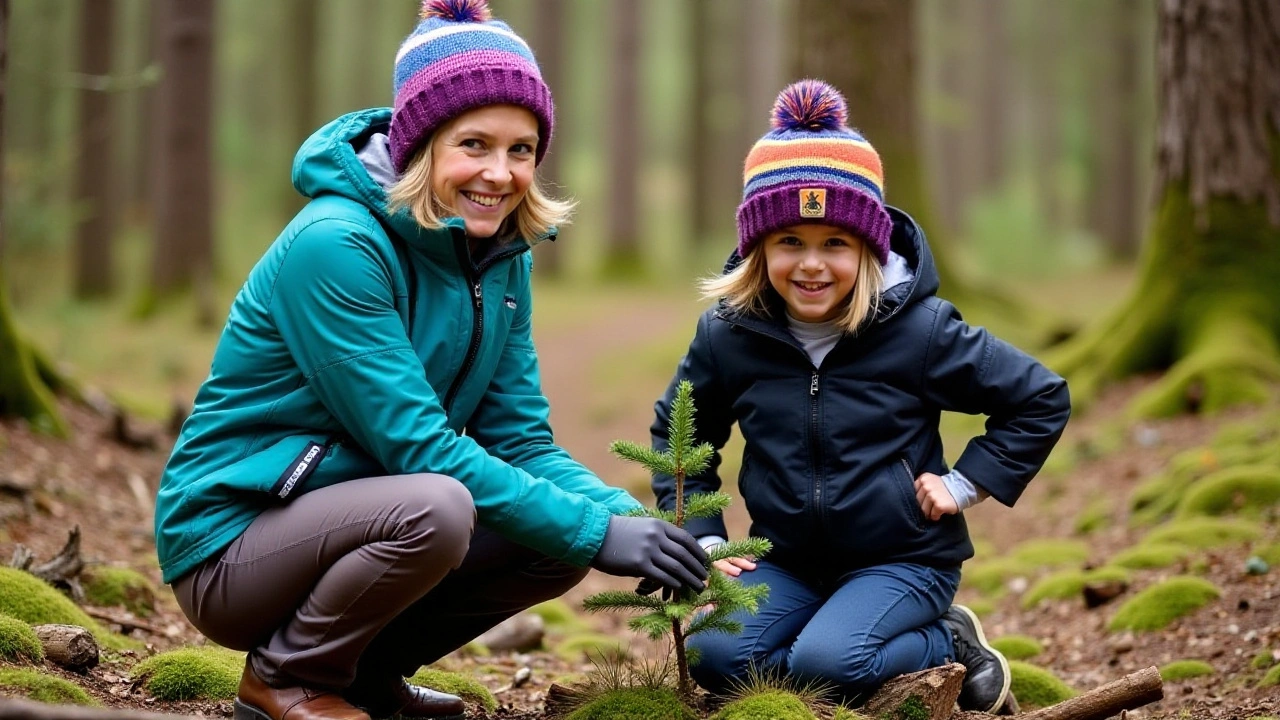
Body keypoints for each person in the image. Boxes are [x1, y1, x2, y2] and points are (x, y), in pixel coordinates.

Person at [154, 3, 708, 720]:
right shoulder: (337, 244)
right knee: (442, 506)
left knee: (554, 542)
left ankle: (362, 677)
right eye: (473, 144)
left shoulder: (499, 256)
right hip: (232, 544)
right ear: (420, 142)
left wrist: (631, 524)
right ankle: (286, 678)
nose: (500, 173)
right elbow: (417, 446)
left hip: (360, 516)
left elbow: (522, 441)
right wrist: (603, 533)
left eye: (522, 149)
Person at [649, 79, 1071, 712]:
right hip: (784, 560)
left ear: (868, 249)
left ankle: (949, 638)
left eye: (835, 244)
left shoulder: (919, 331)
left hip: (903, 561)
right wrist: (707, 540)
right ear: (758, 246)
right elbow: (681, 434)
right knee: (716, 655)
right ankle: (832, 630)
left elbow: (1040, 396)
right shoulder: (729, 335)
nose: (811, 265)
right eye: (789, 241)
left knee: (828, 664)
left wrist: (966, 483)